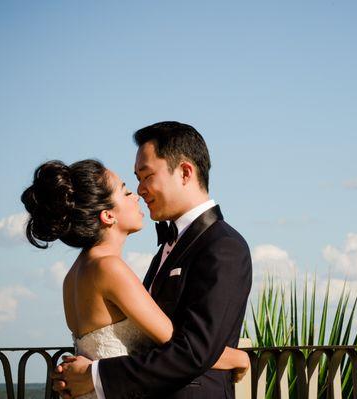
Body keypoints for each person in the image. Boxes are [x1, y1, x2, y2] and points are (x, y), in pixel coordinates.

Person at [49, 122, 253, 398]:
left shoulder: (223, 246)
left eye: (146, 176)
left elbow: (194, 350)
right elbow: (168, 341)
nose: (139, 190)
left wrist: (94, 376)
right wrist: (235, 357)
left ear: (184, 172)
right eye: (132, 182)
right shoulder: (148, 254)